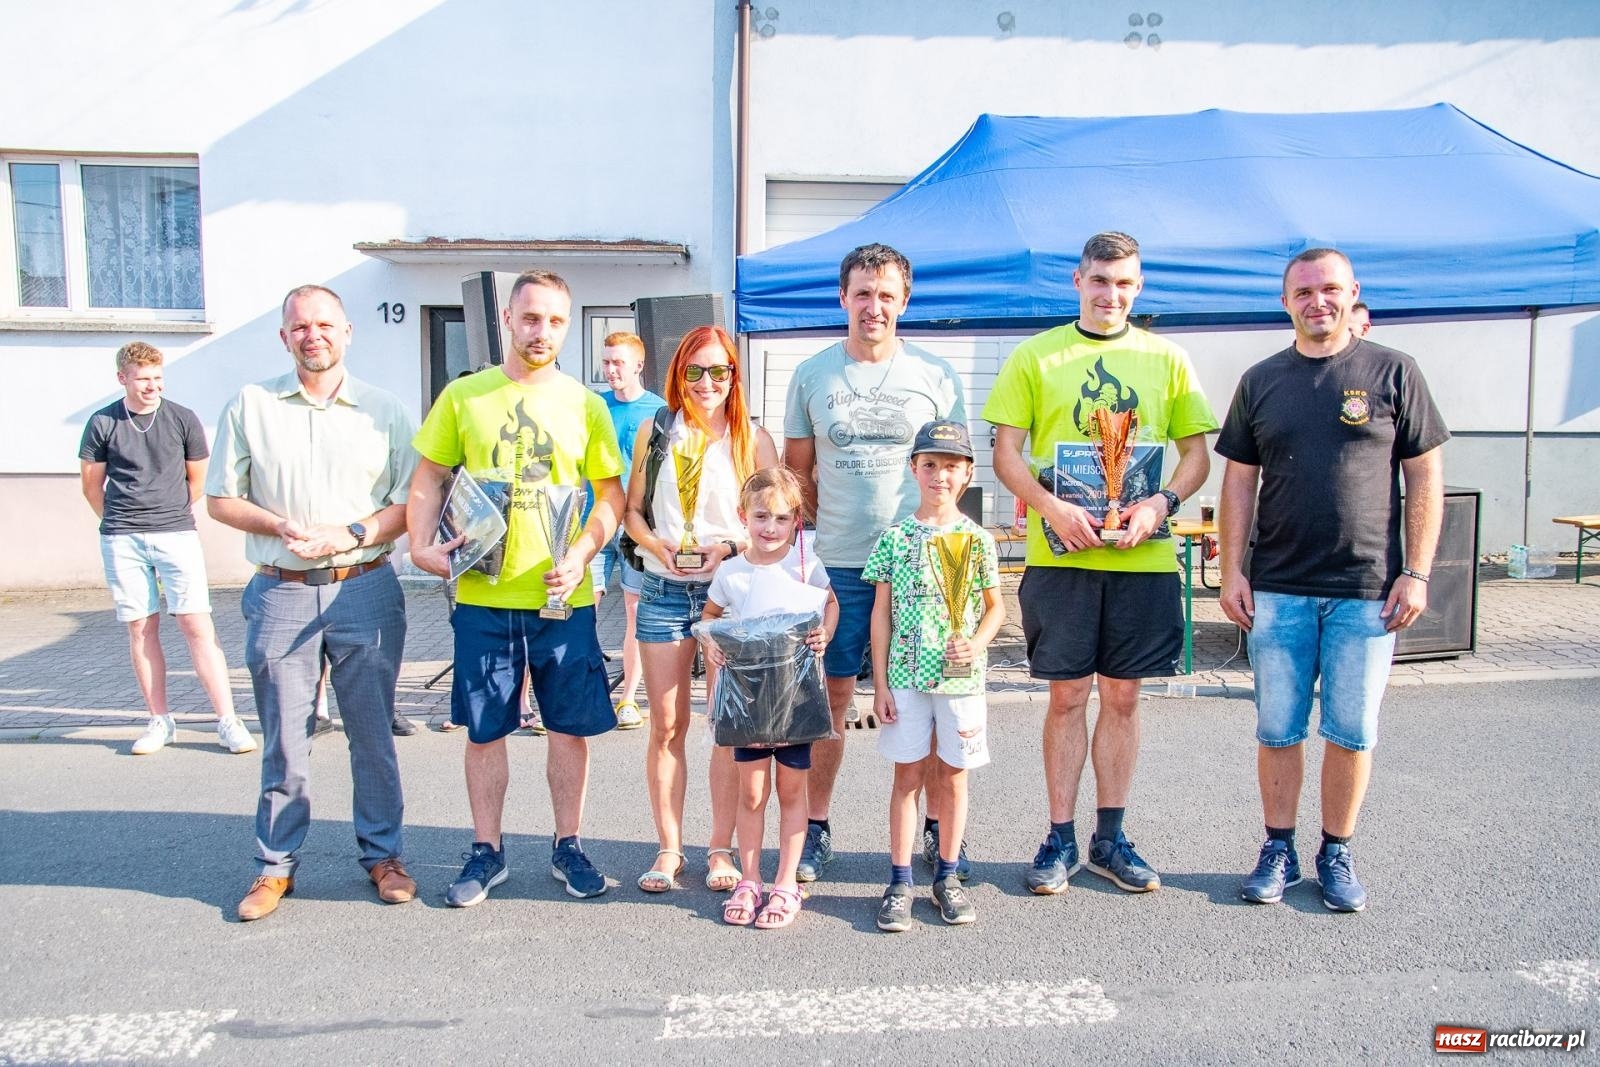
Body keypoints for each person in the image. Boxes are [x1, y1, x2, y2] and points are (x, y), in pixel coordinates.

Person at [985, 231, 1217, 897]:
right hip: (1062, 557)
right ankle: (1059, 834)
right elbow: (1004, 453)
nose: (1110, 294)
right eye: (1099, 280)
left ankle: (1110, 836)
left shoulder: (1168, 359)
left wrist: (1161, 502)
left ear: (1138, 287)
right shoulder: (1037, 356)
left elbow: (1196, 455)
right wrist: (1051, 508)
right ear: (1077, 282)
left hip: (1140, 559)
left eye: (1123, 283)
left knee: (1123, 695)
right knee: (1066, 695)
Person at [1216, 248, 1447, 913]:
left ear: (1353, 294)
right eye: (1304, 292)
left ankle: (1336, 848)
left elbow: (1424, 475)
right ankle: (1278, 847)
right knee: (1278, 729)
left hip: (1368, 591)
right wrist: (1232, 569)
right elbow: (1238, 481)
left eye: (1330, 289)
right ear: (1285, 301)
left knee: (1351, 730)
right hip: (1279, 586)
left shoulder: (1393, 372)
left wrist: (1417, 571)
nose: (1318, 301)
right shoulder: (1262, 380)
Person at [408, 269, 625, 907]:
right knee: (483, 730)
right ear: (508, 318)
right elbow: (428, 477)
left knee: (568, 728)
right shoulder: (464, 396)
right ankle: (487, 849)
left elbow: (609, 496)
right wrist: (422, 546)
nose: (543, 332)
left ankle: (569, 844)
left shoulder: (585, 405)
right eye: (532, 318)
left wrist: (583, 553)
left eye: (556, 321)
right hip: (483, 594)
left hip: (562, 599)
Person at [207, 285, 419, 921]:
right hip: (282, 589)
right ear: (284, 337)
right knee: (285, 737)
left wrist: (352, 532)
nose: (313, 335)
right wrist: (277, 525)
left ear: (348, 332)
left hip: (366, 586)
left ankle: (384, 857)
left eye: (325, 324)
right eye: (300, 327)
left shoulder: (384, 410)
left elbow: (410, 504)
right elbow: (220, 498)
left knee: (372, 734)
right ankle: (275, 868)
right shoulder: (251, 404)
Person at [782, 242, 966, 884]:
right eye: (862, 293)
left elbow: (958, 469)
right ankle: (816, 828)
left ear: (904, 301)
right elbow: (796, 475)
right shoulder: (812, 374)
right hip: (839, 566)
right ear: (843, 298)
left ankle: (942, 834)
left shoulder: (937, 375)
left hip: (923, 568)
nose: (874, 306)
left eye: (887, 295)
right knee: (831, 699)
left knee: (935, 698)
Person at [624, 324, 777, 894]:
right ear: (678, 375)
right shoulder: (656, 429)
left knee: (725, 728)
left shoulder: (752, 440)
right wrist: (657, 545)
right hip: (664, 590)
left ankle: (719, 849)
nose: (707, 382)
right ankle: (668, 849)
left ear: (734, 376)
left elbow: (773, 524)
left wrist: (731, 548)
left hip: (732, 597)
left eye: (719, 371)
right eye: (695, 371)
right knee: (666, 725)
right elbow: (633, 512)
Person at [79, 342, 254, 757]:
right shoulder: (103, 422)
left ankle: (227, 720)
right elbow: (91, 485)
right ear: (123, 378)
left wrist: (168, 513)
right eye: (143, 379)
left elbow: (198, 479)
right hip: (122, 537)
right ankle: (160, 720)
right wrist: (121, 521)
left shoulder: (182, 418)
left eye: (157, 378)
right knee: (140, 626)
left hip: (176, 533)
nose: (151, 386)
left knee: (197, 625)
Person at [865, 421, 1003, 931]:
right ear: (913, 470)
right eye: (929, 465)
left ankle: (948, 876)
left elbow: (995, 609)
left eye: (950, 466)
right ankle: (900, 880)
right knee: (907, 776)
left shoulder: (978, 540)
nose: (939, 476)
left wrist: (979, 641)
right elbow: (882, 613)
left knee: (953, 775)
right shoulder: (896, 539)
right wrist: (878, 683)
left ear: (966, 473)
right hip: (905, 674)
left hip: (961, 679)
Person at [698, 467, 837, 928]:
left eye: (780, 518)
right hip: (749, 704)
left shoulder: (805, 566)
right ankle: (750, 879)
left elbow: (831, 603)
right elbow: (711, 617)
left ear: (796, 520)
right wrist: (711, 643)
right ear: (743, 516)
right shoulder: (732, 572)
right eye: (761, 517)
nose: (770, 528)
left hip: (796, 701)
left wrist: (824, 634)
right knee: (753, 793)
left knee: (792, 791)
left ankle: (785, 884)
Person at [594, 331, 665, 729]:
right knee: (580, 610)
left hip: (636, 526)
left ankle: (628, 699)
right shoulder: (594, 407)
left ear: (638, 365)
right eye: (606, 362)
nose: (610, 369)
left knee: (634, 611)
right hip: (592, 521)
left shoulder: (659, 411)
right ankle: (588, 691)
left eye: (618, 362)